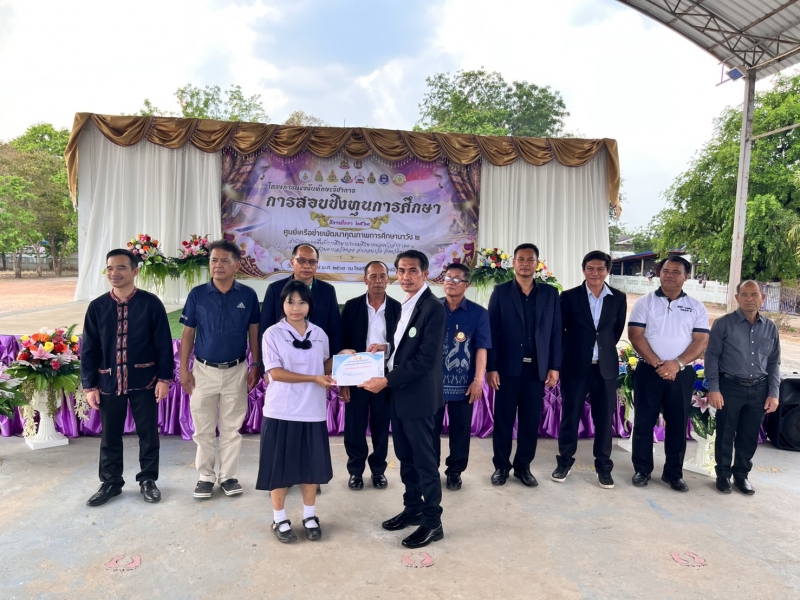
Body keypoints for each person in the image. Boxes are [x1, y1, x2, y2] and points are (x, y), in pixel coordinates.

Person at [359, 250, 446, 549]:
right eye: (401, 271)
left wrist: (385, 380)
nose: (406, 276)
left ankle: (433, 522)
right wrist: (385, 348)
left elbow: (425, 359)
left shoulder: (433, 308)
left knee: (424, 461)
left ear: (425, 274)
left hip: (418, 397)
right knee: (405, 457)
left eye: (412, 271)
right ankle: (413, 509)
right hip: (400, 395)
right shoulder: (407, 303)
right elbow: (406, 344)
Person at [81, 249, 173, 507]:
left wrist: (164, 379)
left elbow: (163, 344)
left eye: (121, 267)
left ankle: (148, 479)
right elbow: (89, 349)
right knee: (110, 435)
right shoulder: (97, 306)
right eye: (110, 268)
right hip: (109, 381)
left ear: (134, 271)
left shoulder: (151, 303)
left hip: (145, 380)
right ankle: (111, 482)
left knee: (148, 433)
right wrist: (89, 385)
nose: (114, 273)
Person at [179, 240, 261, 499]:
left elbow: (254, 332)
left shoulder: (247, 295)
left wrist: (255, 365)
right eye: (214, 260)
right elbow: (188, 333)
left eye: (225, 260)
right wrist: (184, 369)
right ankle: (205, 476)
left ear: (237, 265)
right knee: (203, 428)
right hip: (203, 371)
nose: (218, 265)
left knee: (231, 428)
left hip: (237, 370)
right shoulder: (197, 294)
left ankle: (228, 476)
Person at [256, 280, 334, 543]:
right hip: (282, 410)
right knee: (278, 468)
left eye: (302, 302)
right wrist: (313, 379)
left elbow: (324, 365)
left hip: (312, 410)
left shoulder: (319, 334)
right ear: (282, 304)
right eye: (290, 302)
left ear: (310, 305)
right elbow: (275, 373)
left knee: (311, 467)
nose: (296, 307)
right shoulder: (272, 334)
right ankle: (279, 518)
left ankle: (309, 516)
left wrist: (346, 358)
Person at [628, 256, 709, 492]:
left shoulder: (696, 307)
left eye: (676, 272)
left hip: (681, 374)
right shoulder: (645, 302)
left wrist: (677, 364)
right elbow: (635, 335)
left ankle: (673, 473)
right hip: (648, 371)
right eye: (665, 271)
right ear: (659, 273)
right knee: (643, 422)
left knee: (677, 424)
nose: (669, 275)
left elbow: (701, 340)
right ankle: (642, 470)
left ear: (686, 277)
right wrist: (658, 364)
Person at [487, 243, 562, 487]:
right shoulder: (501, 292)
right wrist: (491, 367)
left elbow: (555, 333)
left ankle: (523, 467)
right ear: (513, 263)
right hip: (507, 370)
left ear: (537, 264)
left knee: (530, 422)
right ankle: (501, 467)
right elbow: (492, 331)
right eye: (521, 259)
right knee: (504, 420)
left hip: (536, 370)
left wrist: (554, 366)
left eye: (530, 260)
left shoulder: (550, 294)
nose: (525, 264)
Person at [552, 251, 627, 488]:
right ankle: (564, 461)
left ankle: (603, 466)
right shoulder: (569, 296)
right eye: (590, 268)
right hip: (575, 366)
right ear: (583, 270)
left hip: (605, 368)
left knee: (604, 419)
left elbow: (614, 332)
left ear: (608, 271)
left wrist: (601, 351)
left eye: (600, 269)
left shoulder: (618, 298)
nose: (595, 273)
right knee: (570, 416)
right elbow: (559, 331)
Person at [705, 280, 780, 495]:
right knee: (725, 433)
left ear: (762, 298)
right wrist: (714, 388)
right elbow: (712, 357)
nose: (749, 299)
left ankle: (741, 475)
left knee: (749, 435)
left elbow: (774, 362)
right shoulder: (723, 324)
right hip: (730, 387)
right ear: (737, 298)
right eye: (744, 295)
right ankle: (723, 474)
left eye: (754, 294)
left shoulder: (771, 327)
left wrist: (774, 393)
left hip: (759, 389)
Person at [339, 261, 401, 491]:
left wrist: (386, 347)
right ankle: (355, 471)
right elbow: (342, 342)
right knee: (354, 426)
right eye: (373, 276)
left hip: (384, 377)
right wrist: (344, 381)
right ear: (365, 279)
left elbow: (402, 343)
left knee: (381, 426)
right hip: (356, 375)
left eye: (382, 276)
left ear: (388, 279)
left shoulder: (397, 308)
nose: (378, 281)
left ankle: (378, 471)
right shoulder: (352, 306)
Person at [433, 263, 491, 491]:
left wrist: (478, 380)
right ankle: (430, 470)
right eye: (448, 278)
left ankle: (455, 471)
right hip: (433, 383)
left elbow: (481, 348)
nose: (451, 282)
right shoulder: (431, 308)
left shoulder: (478, 313)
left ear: (467, 285)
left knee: (460, 430)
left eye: (457, 279)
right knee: (430, 430)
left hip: (464, 384)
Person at [259, 243, 342, 357]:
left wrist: (334, 362)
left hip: (317, 357)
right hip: (283, 357)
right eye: (301, 261)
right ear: (292, 262)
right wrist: (264, 364)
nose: (307, 266)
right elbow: (265, 326)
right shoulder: (276, 289)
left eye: (312, 262)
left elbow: (335, 329)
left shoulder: (328, 290)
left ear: (317, 264)